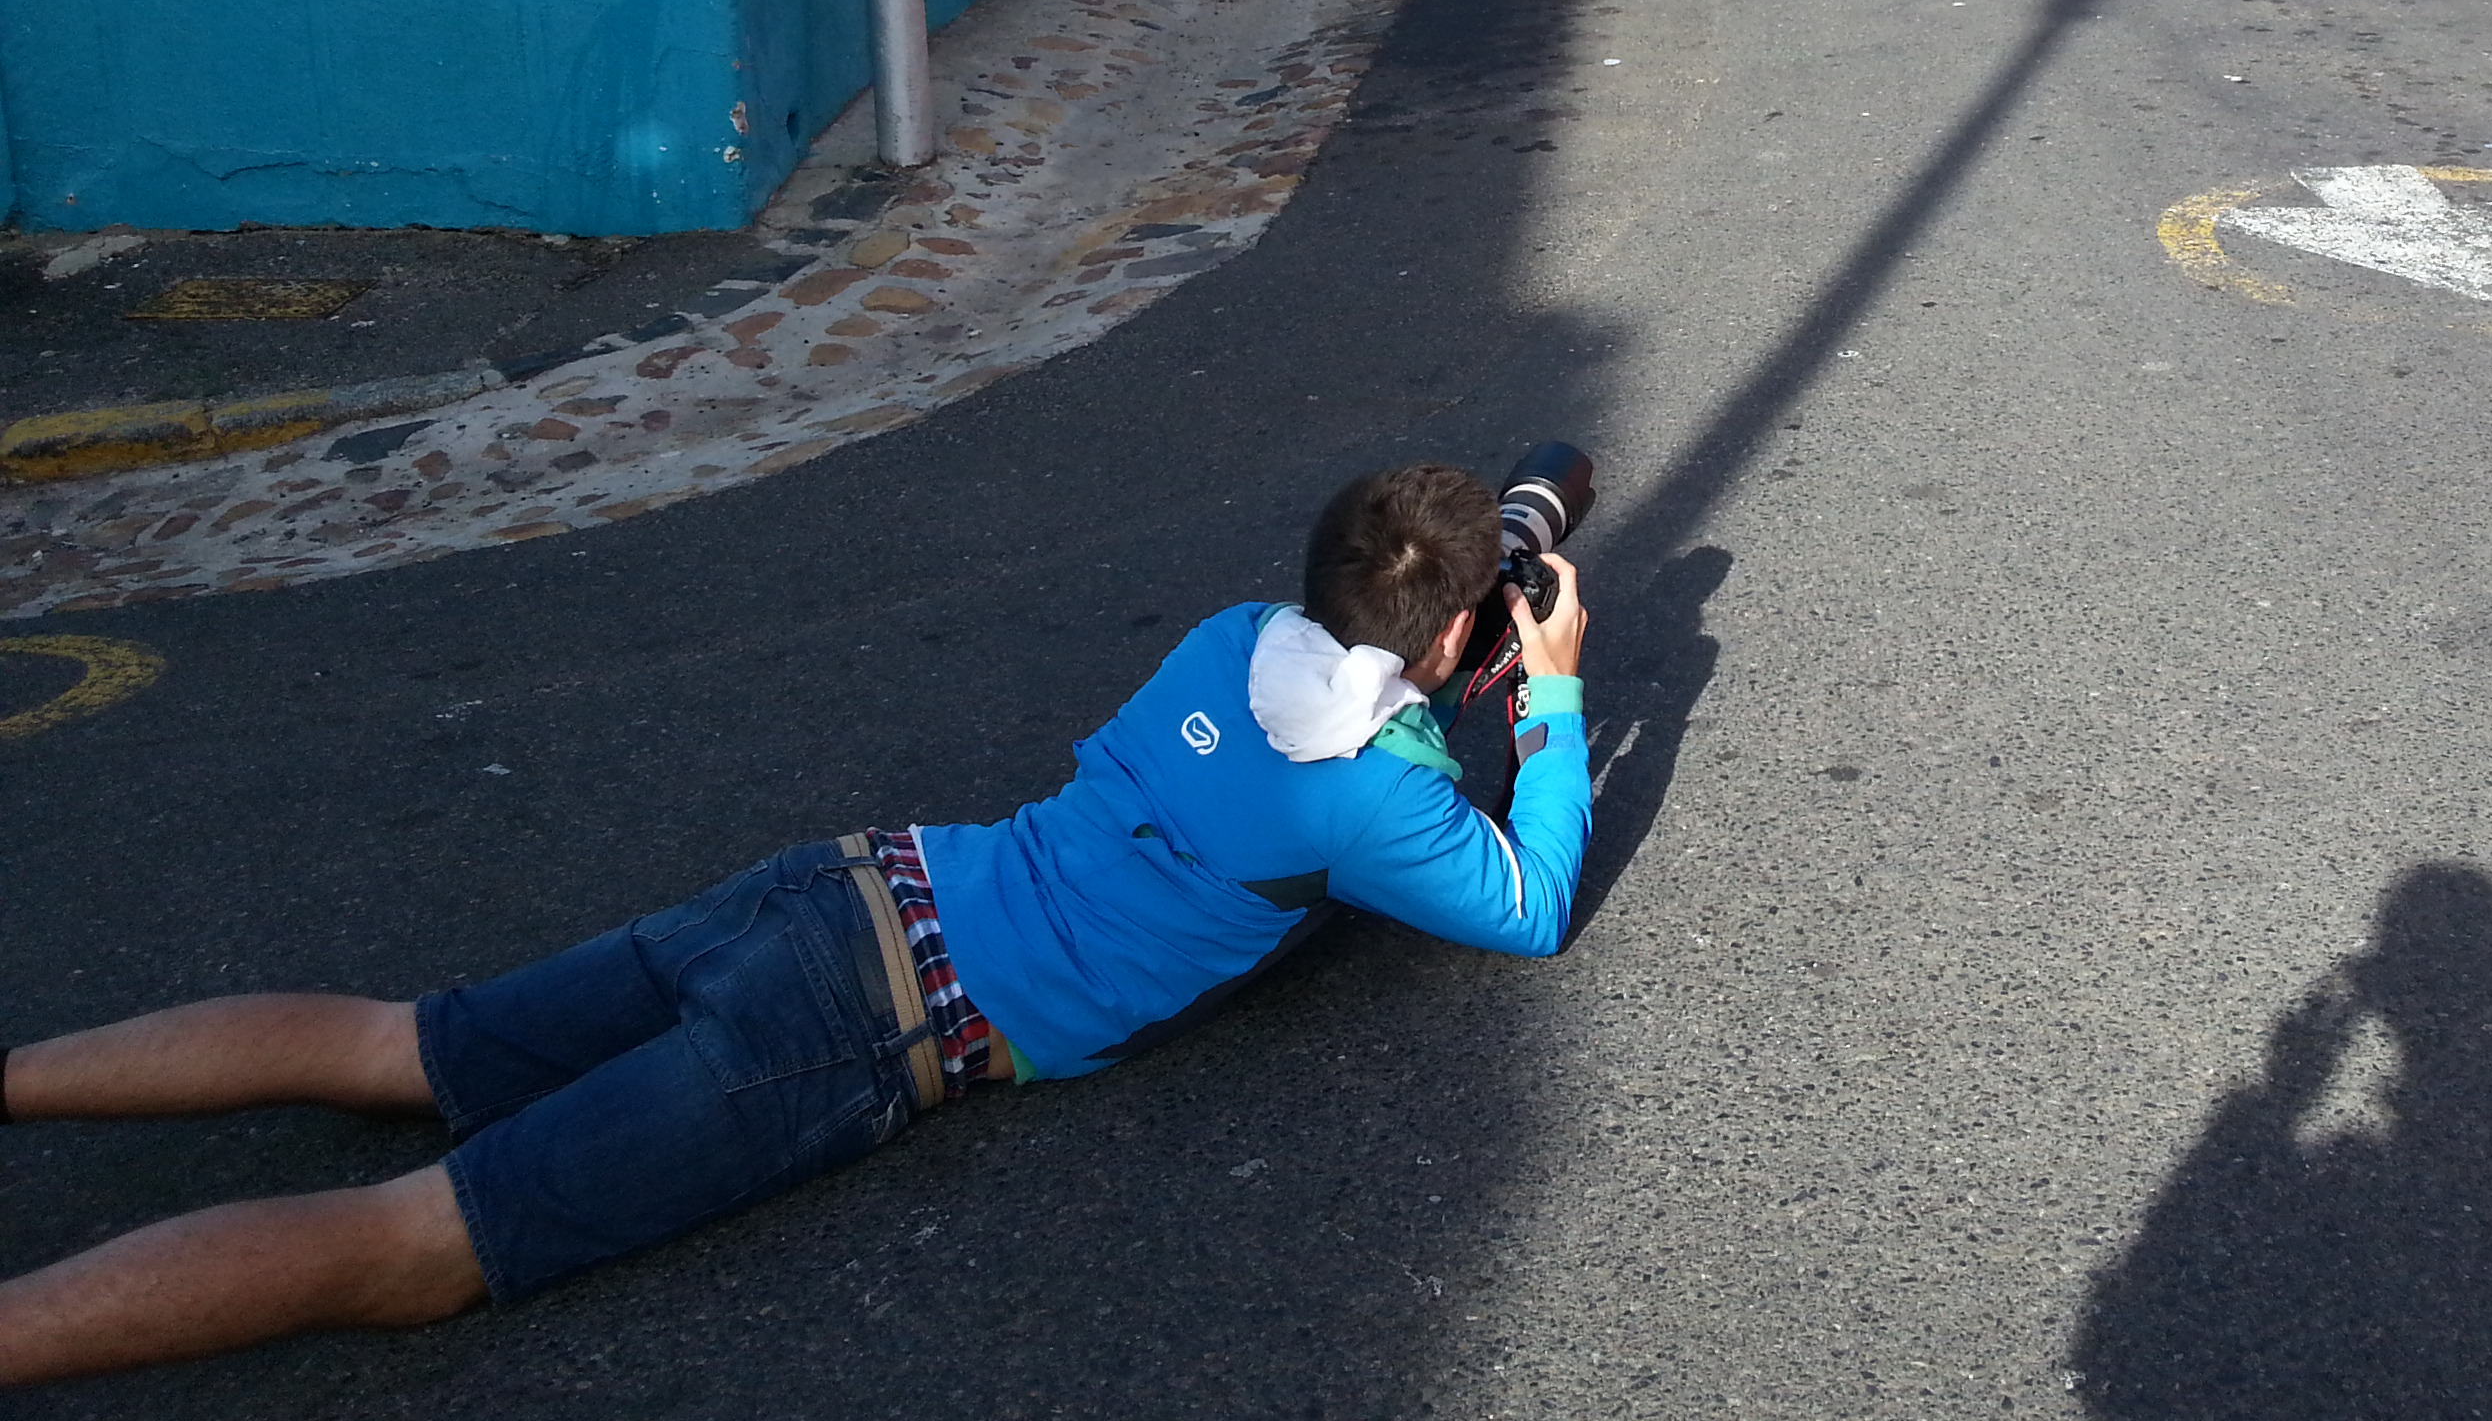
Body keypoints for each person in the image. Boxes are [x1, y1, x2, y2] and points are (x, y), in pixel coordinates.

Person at [0, 464, 1590, 1388]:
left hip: (841, 887)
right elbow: (1522, 907)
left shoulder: (1236, 633)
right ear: (1460, 628)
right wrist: (1558, 697)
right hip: (863, 1025)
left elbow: (1318, 719)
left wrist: (1444, 671)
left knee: (404, 1043)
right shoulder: (1373, 804)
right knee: (414, 1241)